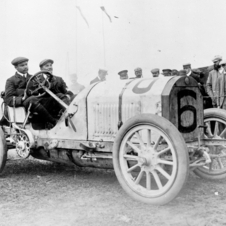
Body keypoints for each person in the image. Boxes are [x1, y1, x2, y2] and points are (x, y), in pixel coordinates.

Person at [4, 57, 57, 128]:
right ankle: (54, 122)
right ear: (16, 67)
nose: (25, 67)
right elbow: (9, 99)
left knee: (57, 96)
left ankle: (66, 116)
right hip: (24, 104)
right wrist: (22, 99)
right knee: (32, 99)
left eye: (26, 64)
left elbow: (44, 91)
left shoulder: (34, 78)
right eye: (22, 65)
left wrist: (47, 82)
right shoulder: (11, 80)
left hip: (37, 101)